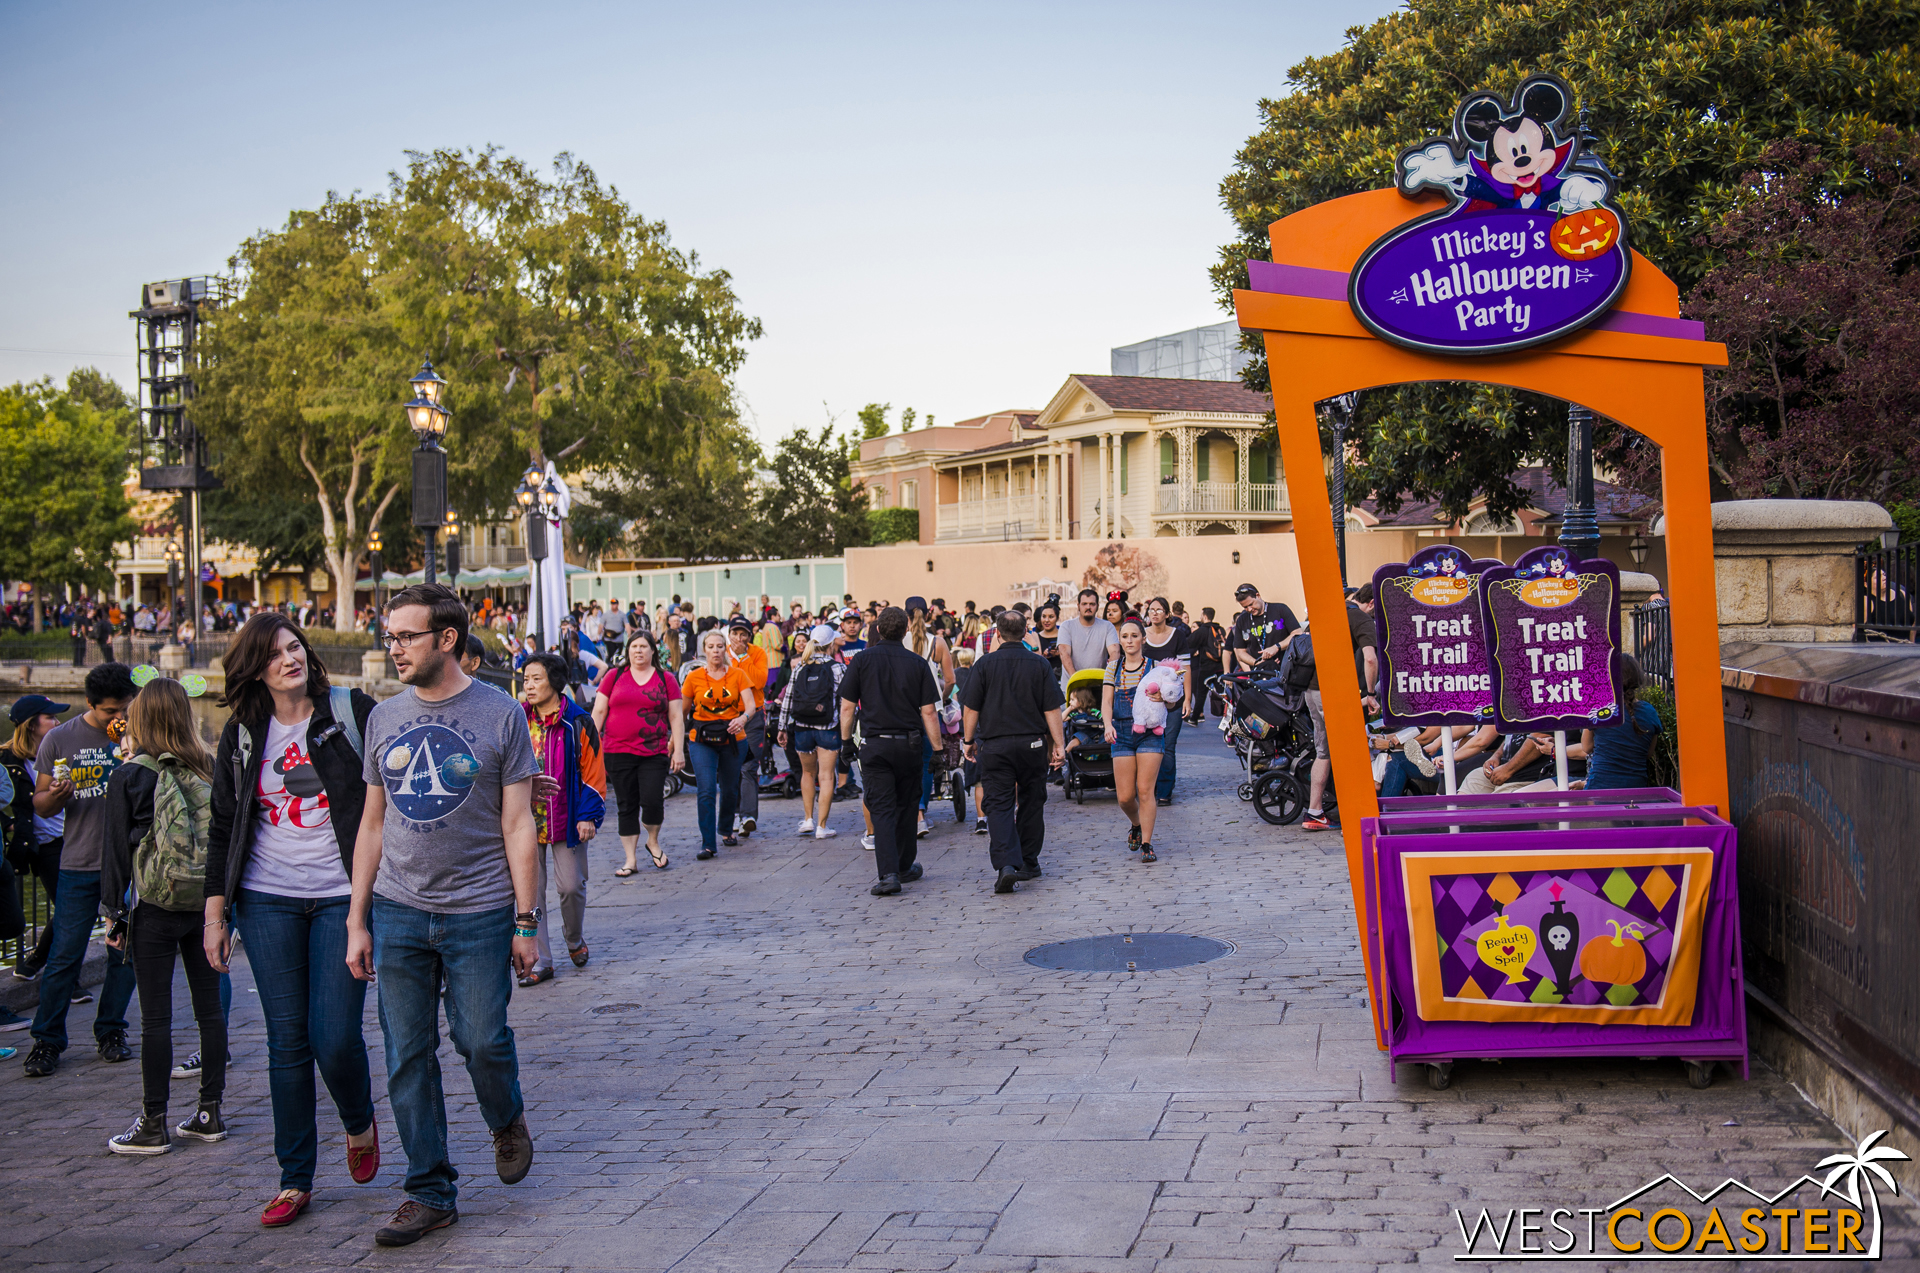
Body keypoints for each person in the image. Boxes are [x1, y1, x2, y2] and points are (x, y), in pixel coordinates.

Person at [346, 582, 541, 1248]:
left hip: (481, 909)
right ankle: (429, 1189)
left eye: (404, 635)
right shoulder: (382, 718)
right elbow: (371, 825)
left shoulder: (501, 714)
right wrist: (357, 917)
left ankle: (505, 1115)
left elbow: (519, 823)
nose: (391, 646)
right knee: (406, 1055)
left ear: (447, 638)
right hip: (399, 910)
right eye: (390, 635)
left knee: (481, 1038)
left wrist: (525, 919)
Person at [204, 613, 379, 1227]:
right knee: (286, 1043)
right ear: (255, 668)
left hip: (342, 897)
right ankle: (293, 1177)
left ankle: (358, 1119)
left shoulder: (349, 712)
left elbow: (394, 791)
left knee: (333, 1036)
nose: (290, 658)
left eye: (295, 646)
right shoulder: (244, 733)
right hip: (266, 898)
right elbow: (224, 824)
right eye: (275, 652)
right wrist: (215, 913)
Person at [99, 677, 226, 1155]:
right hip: (205, 906)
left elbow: (114, 854)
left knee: (156, 1019)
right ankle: (210, 1113)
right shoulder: (210, 766)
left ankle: (153, 1122)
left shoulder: (131, 774)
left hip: (152, 906)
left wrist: (114, 914)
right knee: (209, 1011)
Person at [21, 662, 138, 1078]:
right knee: (64, 956)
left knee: (122, 955)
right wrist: (56, 796)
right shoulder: (59, 739)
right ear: (90, 705)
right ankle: (47, 1041)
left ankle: (110, 1031)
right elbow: (40, 804)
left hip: (127, 870)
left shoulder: (138, 734)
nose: (119, 717)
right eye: (110, 711)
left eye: (125, 707)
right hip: (79, 865)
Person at [837, 607, 941, 896]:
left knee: (882, 809)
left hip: (875, 743)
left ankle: (889, 874)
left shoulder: (861, 660)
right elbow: (929, 712)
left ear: (879, 630)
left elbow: (847, 706)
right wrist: (938, 750)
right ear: (906, 631)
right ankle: (905, 864)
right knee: (907, 805)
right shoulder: (917, 663)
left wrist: (846, 742)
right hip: (908, 743)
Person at [960, 610, 1065, 894]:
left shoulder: (984, 665)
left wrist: (968, 739)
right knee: (1032, 800)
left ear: (996, 633)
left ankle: (1007, 863)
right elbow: (1051, 708)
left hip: (995, 745)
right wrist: (1059, 743)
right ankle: (1028, 861)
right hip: (1032, 744)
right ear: (1025, 633)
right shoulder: (1039, 665)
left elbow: (971, 707)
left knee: (999, 804)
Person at [516, 653, 604, 985]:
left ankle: (574, 938)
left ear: (555, 681)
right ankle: (540, 960)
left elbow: (593, 773)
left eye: (536, 678)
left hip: (567, 820)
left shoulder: (578, 721)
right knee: (529, 892)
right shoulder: (517, 719)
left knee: (571, 886)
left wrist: (588, 816)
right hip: (524, 820)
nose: (529, 685)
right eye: (526, 679)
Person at [593, 631, 684, 875]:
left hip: (654, 751)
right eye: (634, 646)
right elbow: (599, 711)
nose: (638, 651)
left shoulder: (666, 679)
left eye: (644, 646)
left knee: (653, 800)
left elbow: (676, 715)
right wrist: (590, 745)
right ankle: (630, 859)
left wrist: (679, 750)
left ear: (653, 651)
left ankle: (652, 840)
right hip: (617, 750)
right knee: (626, 804)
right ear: (628, 650)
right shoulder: (614, 676)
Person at [3, 695, 68, 991]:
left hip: (73, 837)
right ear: (31, 725)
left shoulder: (61, 752)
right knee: (69, 905)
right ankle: (44, 964)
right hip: (43, 844)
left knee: (78, 905)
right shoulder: (8, 761)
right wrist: (9, 825)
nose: (57, 723)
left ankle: (38, 962)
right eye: (50, 718)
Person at [1302, 583, 1379, 832]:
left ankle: (1314, 812)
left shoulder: (1332, 611)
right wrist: (1370, 694)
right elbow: (1370, 657)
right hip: (1334, 694)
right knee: (1350, 751)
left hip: (1312, 690)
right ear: (1372, 604)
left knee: (1324, 752)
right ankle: (1357, 816)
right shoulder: (1361, 618)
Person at [682, 629, 756, 860]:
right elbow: (682, 711)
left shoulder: (737, 675)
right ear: (704, 650)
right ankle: (707, 843)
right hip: (702, 740)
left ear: (726, 649)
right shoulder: (693, 677)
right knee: (705, 790)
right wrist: (674, 738)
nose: (715, 650)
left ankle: (725, 829)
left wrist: (743, 718)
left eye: (719, 646)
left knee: (730, 788)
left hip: (733, 739)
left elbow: (751, 706)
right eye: (711, 646)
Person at [1103, 619, 1169, 862]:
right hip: (1120, 732)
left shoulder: (1155, 667)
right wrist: (1107, 724)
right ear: (1120, 641)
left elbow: (1171, 700)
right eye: (1125, 636)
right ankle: (1136, 824)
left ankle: (1148, 844)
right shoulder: (1113, 667)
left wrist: (1164, 697)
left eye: (1134, 636)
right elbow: (1107, 701)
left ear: (1143, 639)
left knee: (1145, 790)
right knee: (1124, 797)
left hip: (1150, 733)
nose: (1129, 641)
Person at [776, 624, 846, 839]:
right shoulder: (838, 668)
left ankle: (807, 819)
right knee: (826, 777)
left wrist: (782, 727)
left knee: (807, 773)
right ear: (830, 644)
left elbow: (788, 699)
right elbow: (846, 703)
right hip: (828, 728)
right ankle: (822, 827)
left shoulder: (799, 667)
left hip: (802, 728)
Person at [904, 597, 955, 838]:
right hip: (930, 708)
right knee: (926, 762)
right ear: (928, 614)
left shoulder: (897, 640)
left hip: (903, 708)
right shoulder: (937, 642)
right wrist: (941, 698)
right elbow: (951, 680)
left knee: (907, 763)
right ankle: (921, 812)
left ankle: (912, 814)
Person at [1576, 654, 1663, 790]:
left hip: (1600, 786)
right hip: (1636, 789)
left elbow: (1586, 747)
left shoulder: (1599, 709)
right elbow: (1648, 753)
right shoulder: (1650, 712)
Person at [1140, 598, 1190, 806]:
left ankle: (1165, 791)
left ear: (1167, 614)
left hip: (1173, 701)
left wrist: (1188, 698)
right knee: (1147, 746)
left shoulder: (1177, 636)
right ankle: (1147, 788)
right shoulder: (1142, 636)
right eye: (1151, 610)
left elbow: (1186, 668)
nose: (1154, 614)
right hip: (1147, 701)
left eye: (1159, 610)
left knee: (1168, 746)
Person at [725, 617, 769, 838]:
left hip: (752, 717)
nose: (738, 639)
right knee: (731, 768)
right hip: (727, 717)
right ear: (729, 634)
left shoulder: (758, 653)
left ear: (749, 636)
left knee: (748, 767)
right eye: (735, 634)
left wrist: (743, 657)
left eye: (743, 634)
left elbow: (759, 681)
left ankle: (748, 816)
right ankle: (733, 813)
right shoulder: (721, 652)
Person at [1226, 583, 1300, 671]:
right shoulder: (1242, 620)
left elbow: (1297, 633)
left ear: (1258, 595)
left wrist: (1276, 647)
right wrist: (1257, 663)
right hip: (1260, 673)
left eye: (1251, 604)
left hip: (1287, 669)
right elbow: (1240, 652)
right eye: (1245, 607)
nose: (1249, 609)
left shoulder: (1280, 609)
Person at [1056, 588, 1120, 687]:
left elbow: (1115, 652)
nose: (1088, 607)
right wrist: (1076, 680)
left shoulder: (1107, 626)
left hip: (1098, 684)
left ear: (1097, 606)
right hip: (1072, 685)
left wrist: (1108, 677)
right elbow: (1064, 653)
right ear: (1078, 606)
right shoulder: (1067, 626)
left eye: (1092, 604)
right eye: (1084, 604)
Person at [1186, 607, 1227, 723]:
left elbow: (1189, 642)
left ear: (1204, 616)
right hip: (1220, 666)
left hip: (1206, 667)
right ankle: (1228, 716)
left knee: (1201, 693)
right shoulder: (1220, 630)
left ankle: (1195, 718)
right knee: (1222, 692)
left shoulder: (1202, 631)